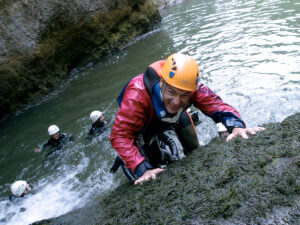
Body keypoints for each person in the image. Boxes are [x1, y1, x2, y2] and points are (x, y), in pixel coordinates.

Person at [110, 53, 265, 185]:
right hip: (145, 125)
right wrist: (141, 168)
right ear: (163, 83)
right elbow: (120, 135)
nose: (177, 101)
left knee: (194, 149)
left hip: (178, 115)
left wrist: (236, 126)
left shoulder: (192, 88)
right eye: (172, 92)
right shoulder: (137, 96)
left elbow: (216, 104)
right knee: (155, 167)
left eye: (184, 95)